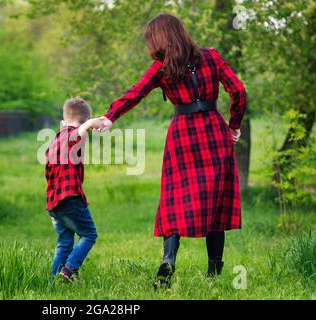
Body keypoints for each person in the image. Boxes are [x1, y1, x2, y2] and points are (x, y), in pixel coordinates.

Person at [98, 13, 247, 288]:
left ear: (159, 39)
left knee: (174, 199)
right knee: (216, 200)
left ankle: (169, 259)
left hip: (183, 137)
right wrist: (234, 124)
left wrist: (110, 117)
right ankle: (214, 273)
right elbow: (238, 90)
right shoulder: (211, 57)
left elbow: (135, 93)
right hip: (214, 131)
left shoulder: (161, 68)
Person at [45, 97, 103, 282]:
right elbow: (77, 132)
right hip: (69, 198)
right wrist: (90, 124)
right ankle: (68, 271)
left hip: (54, 203)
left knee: (64, 242)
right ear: (83, 122)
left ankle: (54, 281)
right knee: (89, 234)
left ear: (63, 121)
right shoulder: (72, 135)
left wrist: (85, 127)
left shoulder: (55, 141)